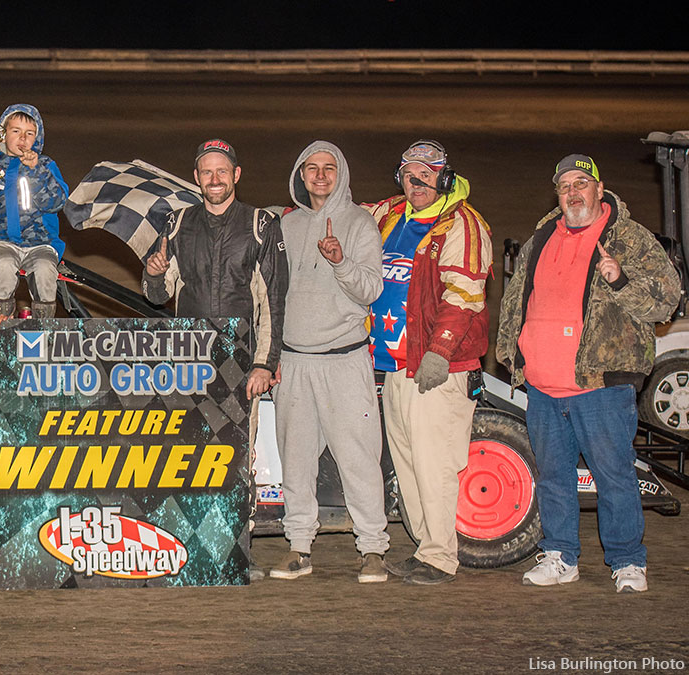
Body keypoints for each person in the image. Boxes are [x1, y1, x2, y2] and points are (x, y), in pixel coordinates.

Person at [497, 155, 678, 593]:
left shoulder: (629, 239)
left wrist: (620, 280)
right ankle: (560, 554)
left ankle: (628, 561)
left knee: (614, 474)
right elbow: (517, 298)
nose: (573, 192)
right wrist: (511, 351)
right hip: (543, 385)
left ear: (600, 188)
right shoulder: (542, 236)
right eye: (564, 186)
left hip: (599, 385)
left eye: (582, 183)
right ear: (557, 195)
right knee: (553, 476)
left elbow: (666, 302)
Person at [366, 140, 492, 585]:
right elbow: (337, 209)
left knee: (435, 461)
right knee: (407, 461)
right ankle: (425, 547)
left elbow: (465, 294)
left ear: (444, 176)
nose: (416, 183)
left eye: (426, 174)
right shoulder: (389, 215)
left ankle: (441, 555)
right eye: (408, 174)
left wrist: (439, 352)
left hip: (436, 367)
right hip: (395, 363)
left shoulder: (462, 223)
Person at [269, 141, 388, 583]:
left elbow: (371, 289)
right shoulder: (288, 224)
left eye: (329, 168)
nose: (320, 176)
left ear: (342, 173)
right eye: (312, 168)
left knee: (358, 459)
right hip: (295, 362)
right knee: (295, 460)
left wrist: (340, 262)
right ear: (301, 175)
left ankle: (372, 548)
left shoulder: (360, 223)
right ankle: (299, 548)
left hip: (344, 360)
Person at [143, 139, 286, 402]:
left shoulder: (261, 225)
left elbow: (273, 302)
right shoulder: (178, 223)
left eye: (222, 171)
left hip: (240, 358)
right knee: (189, 441)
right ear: (197, 177)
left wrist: (264, 364)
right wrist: (153, 274)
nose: (215, 179)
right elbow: (158, 296)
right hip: (189, 359)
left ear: (236, 174)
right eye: (207, 172)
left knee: (236, 442)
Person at [0, 103, 69, 320]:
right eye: (15, 131)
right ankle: (1, 322)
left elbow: (58, 202)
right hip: (2, 241)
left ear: (38, 138)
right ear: (2, 134)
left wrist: (37, 171)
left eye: (30, 133)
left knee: (45, 271)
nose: (23, 138)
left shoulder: (46, 165)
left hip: (40, 243)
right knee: (3, 267)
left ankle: (43, 324)